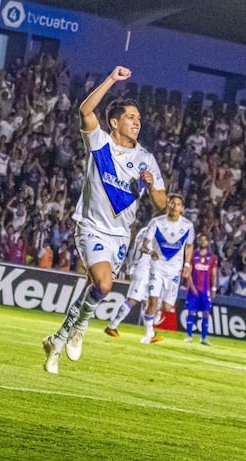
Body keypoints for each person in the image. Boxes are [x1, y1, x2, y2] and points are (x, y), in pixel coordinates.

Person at [42, 66, 167, 374]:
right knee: (104, 284)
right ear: (114, 122)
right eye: (130, 117)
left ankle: (57, 340)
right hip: (91, 227)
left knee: (95, 288)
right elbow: (85, 109)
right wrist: (111, 79)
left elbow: (162, 203)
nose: (137, 122)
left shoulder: (146, 159)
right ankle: (81, 327)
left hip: (121, 236)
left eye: (139, 118)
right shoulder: (99, 143)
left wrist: (151, 186)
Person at [140, 194, 194, 343]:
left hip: (174, 270)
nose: (174, 206)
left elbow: (189, 246)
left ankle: (156, 311)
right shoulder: (156, 222)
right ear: (168, 205)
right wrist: (151, 252)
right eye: (172, 203)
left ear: (182, 209)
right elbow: (144, 245)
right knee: (152, 300)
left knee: (167, 306)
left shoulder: (188, 226)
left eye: (178, 204)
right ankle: (148, 334)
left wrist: (187, 265)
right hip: (157, 266)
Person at [104, 224, 151, 337]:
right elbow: (144, 249)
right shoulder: (150, 233)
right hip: (142, 269)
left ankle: (149, 334)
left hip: (139, 268)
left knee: (147, 302)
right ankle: (112, 326)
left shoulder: (143, 230)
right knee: (132, 300)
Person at [184, 233, 217, 345]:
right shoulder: (193, 255)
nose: (203, 242)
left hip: (205, 290)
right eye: (201, 240)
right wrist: (192, 286)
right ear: (198, 241)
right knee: (191, 312)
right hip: (194, 289)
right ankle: (189, 336)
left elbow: (213, 274)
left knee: (206, 313)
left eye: (205, 240)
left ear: (208, 242)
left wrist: (214, 288)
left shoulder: (212, 258)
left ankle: (204, 338)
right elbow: (188, 273)